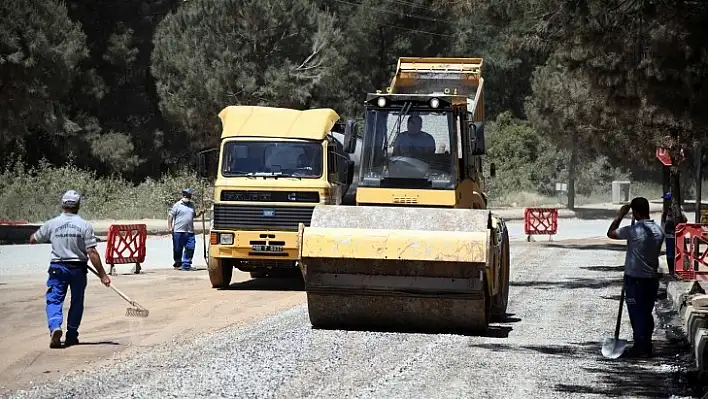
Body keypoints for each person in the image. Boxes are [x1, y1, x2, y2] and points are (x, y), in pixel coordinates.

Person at [29, 190, 112, 349]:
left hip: (57, 268)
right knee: (77, 301)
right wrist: (103, 275)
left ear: (62, 204)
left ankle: (55, 326)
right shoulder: (84, 225)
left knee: (54, 299)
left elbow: (34, 239)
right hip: (78, 269)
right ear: (78, 206)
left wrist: (43, 238)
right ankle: (72, 335)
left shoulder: (52, 224)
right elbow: (92, 252)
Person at [607, 197, 665, 358]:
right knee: (646, 313)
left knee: (636, 314)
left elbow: (610, 233)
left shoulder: (633, 231)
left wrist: (619, 216)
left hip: (635, 279)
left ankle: (640, 346)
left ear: (636, 212)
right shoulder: (658, 230)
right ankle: (646, 343)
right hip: (652, 280)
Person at [168, 188, 204, 271]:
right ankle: (177, 263)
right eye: (186, 195)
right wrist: (170, 227)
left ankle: (186, 264)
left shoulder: (191, 205)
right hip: (178, 231)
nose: (187, 196)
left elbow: (194, 215)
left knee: (190, 247)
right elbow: (170, 216)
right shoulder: (177, 205)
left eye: (189, 195)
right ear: (183, 195)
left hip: (189, 231)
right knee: (177, 248)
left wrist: (200, 213)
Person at [660, 192, 687, 278]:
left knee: (678, 253)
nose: (665, 201)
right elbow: (663, 222)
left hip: (676, 235)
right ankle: (671, 272)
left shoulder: (678, 209)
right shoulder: (665, 211)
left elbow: (685, 219)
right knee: (670, 255)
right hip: (668, 236)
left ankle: (679, 271)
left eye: (667, 199)